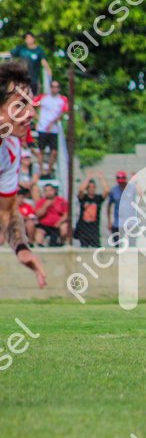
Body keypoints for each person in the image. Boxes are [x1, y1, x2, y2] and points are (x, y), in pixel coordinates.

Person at [0, 59, 47, 287]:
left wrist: (21, 248)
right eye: (20, 105)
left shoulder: (10, 149)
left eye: (31, 105)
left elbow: (6, 211)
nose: (31, 114)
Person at [32, 80, 69, 178]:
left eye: (56, 87)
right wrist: (37, 118)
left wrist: (53, 122)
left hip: (54, 129)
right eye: (53, 86)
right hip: (42, 128)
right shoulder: (43, 97)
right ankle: (41, 170)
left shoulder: (62, 99)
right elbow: (32, 104)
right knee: (41, 150)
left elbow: (63, 112)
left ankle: (48, 170)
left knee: (54, 151)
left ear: (59, 88)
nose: (54, 89)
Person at [75, 171, 109, 248]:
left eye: (93, 187)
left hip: (94, 229)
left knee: (96, 248)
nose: (91, 189)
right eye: (89, 187)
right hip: (83, 228)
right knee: (84, 248)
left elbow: (107, 190)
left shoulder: (98, 199)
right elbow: (81, 190)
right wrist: (88, 178)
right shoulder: (84, 198)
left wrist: (101, 178)